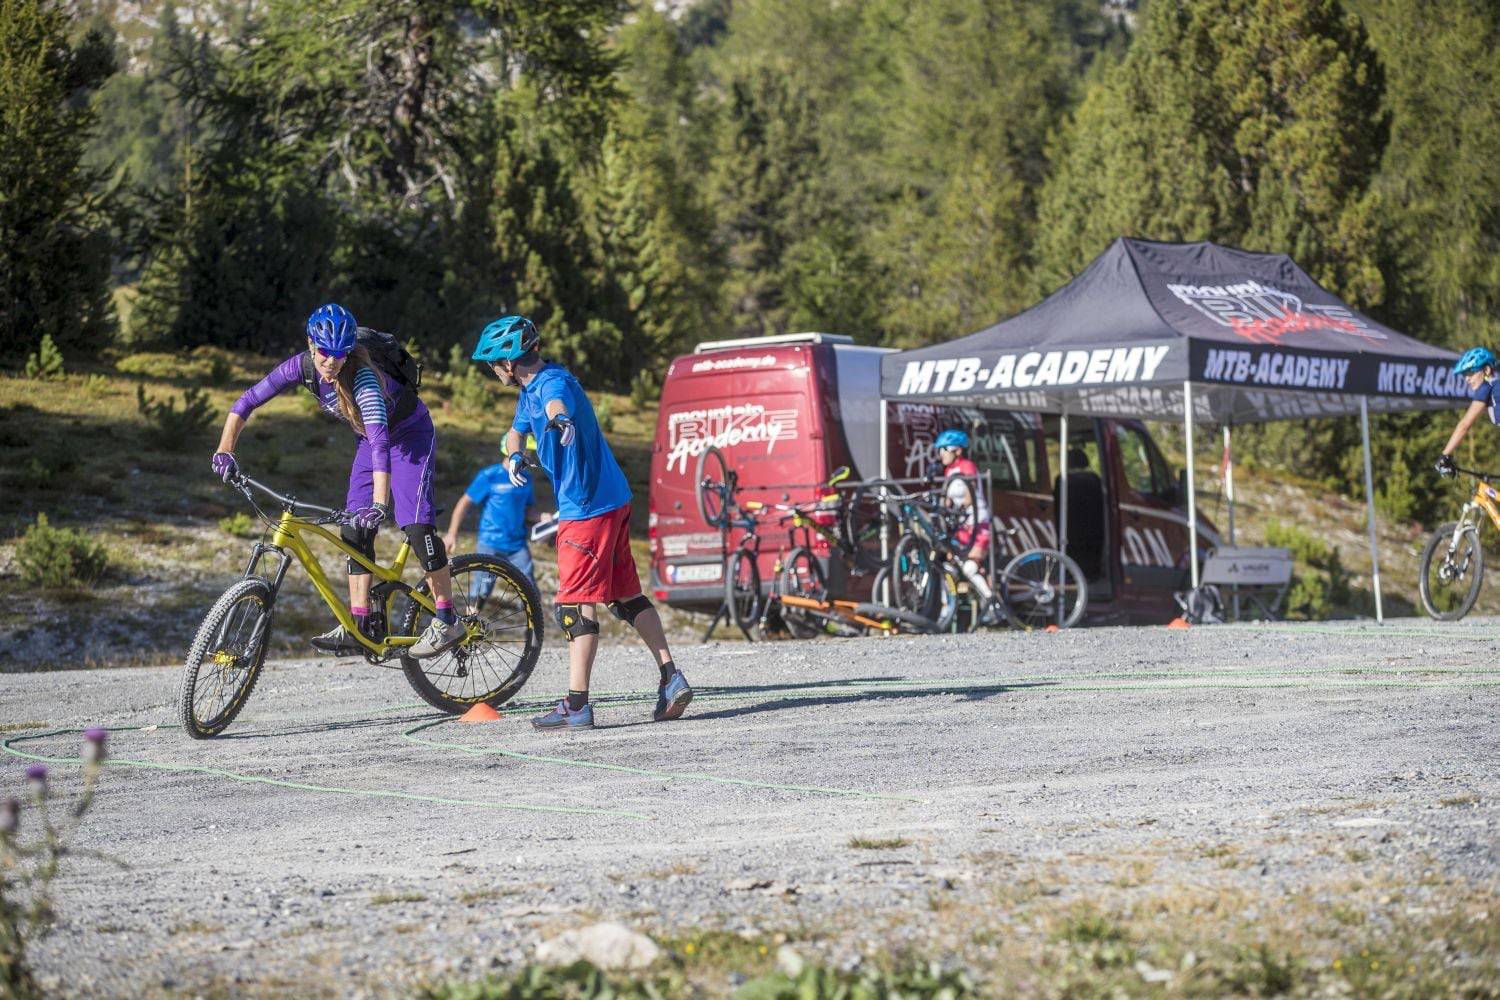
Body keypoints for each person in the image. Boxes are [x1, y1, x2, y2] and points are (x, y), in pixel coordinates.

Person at [470, 314, 692, 730]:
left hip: (586, 509)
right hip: (614, 500)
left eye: (493, 364)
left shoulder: (552, 385)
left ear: (508, 361)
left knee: (572, 606)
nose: (492, 371)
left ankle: (576, 705)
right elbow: (516, 432)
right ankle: (671, 678)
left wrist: (560, 420)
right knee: (626, 597)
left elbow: (557, 404)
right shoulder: (531, 388)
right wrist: (514, 455)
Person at [210, 303, 463, 659]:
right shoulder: (299, 367)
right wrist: (225, 450)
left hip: (410, 437)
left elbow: (381, 444)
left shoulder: (363, 380)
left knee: (416, 525)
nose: (331, 361)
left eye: (340, 354)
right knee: (353, 527)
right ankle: (360, 624)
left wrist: (379, 504)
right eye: (324, 352)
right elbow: (247, 401)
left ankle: (448, 619)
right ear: (311, 345)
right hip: (368, 440)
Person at [441, 458, 554, 594]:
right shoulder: (489, 475)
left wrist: (543, 517)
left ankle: (529, 609)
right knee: (482, 589)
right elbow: (464, 503)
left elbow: (527, 511)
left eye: (529, 451)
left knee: (530, 590)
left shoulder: (527, 478)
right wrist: (452, 533)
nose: (527, 454)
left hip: (517, 546)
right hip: (490, 543)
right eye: (525, 450)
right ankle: (474, 608)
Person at [933, 429, 999, 622]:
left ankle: (993, 606)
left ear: (958, 450)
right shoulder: (948, 471)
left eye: (944, 449)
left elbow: (970, 495)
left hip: (977, 522)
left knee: (970, 567)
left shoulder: (967, 466)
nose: (941, 454)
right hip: (961, 526)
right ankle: (946, 609)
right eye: (939, 450)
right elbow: (946, 500)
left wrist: (958, 509)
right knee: (948, 567)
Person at [1437, 347, 1500, 479]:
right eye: (1464, 374)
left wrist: (1445, 456)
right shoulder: (1495, 387)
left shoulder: (1487, 385)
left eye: (1471, 372)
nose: (1467, 378)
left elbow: (1464, 425)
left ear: (1486, 370)